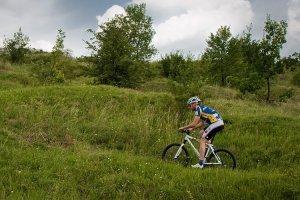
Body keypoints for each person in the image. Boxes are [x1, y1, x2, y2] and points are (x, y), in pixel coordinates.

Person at [179, 96, 224, 169]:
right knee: (201, 133)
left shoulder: (198, 109)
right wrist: (192, 129)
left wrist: (183, 127)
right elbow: (202, 123)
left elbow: (194, 123)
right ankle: (206, 153)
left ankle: (200, 163)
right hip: (218, 123)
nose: (189, 107)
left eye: (189, 105)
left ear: (194, 104)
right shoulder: (202, 108)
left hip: (215, 124)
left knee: (202, 141)